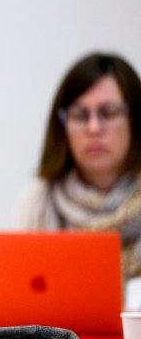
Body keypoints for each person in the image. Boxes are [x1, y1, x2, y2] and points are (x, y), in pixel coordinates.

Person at [14, 53, 141, 306]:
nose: (94, 128)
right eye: (81, 115)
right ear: (62, 125)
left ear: (134, 118)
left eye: (108, 112)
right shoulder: (37, 202)